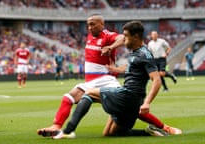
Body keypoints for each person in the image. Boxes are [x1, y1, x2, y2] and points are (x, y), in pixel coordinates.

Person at [37, 14, 181, 138]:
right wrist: (116, 69)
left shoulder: (113, 38)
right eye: (88, 25)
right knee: (111, 132)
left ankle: (67, 131)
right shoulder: (134, 52)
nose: (89, 27)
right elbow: (133, 69)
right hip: (112, 86)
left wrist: (111, 47)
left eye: (92, 24)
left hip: (106, 81)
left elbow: (119, 39)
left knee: (88, 95)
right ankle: (152, 131)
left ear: (102, 24)